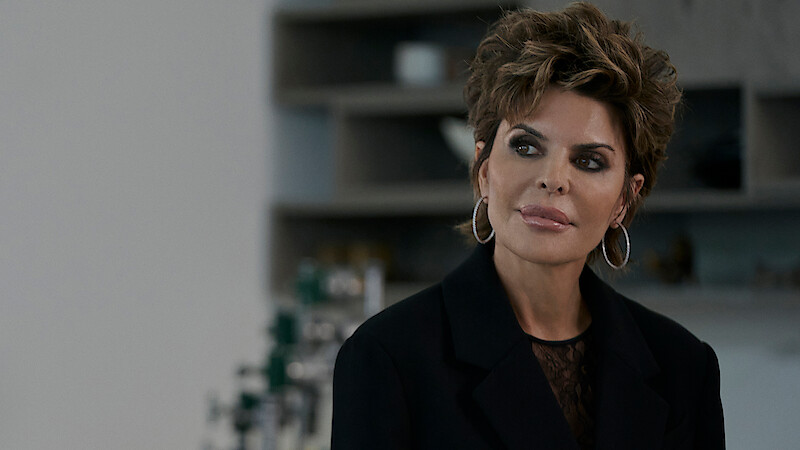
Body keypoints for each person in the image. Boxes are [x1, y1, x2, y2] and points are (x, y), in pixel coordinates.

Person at [331, 3, 724, 449]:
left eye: (589, 161)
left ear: (625, 200)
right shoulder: (387, 357)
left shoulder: (685, 367)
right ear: (483, 169)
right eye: (525, 146)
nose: (553, 178)